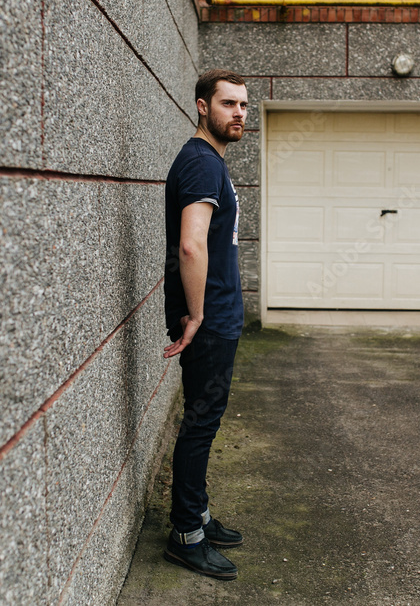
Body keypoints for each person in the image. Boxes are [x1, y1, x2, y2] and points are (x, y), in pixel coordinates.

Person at [161, 69, 248, 580]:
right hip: (208, 320)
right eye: (228, 104)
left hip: (215, 316)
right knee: (200, 423)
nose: (238, 113)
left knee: (205, 419)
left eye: (243, 105)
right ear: (201, 107)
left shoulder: (209, 161)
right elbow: (191, 243)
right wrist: (195, 316)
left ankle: (198, 514)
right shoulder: (199, 162)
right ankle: (185, 536)